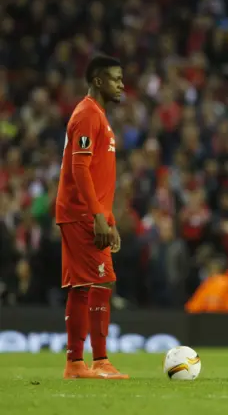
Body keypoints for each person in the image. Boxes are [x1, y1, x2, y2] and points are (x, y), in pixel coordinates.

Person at [56, 54, 128, 379]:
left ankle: (82, 362)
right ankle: (93, 361)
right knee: (97, 281)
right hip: (82, 212)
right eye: (116, 78)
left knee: (86, 285)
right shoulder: (87, 115)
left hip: (89, 212)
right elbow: (80, 168)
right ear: (98, 80)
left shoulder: (98, 116)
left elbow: (98, 175)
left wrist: (108, 218)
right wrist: (97, 216)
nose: (122, 84)